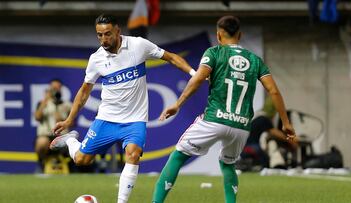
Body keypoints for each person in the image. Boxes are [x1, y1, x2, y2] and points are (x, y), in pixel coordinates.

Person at [49, 14, 195, 203]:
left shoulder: (138, 45)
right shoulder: (96, 59)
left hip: (135, 120)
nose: (103, 39)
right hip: (107, 119)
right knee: (82, 160)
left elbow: (171, 57)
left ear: (118, 30)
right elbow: (84, 92)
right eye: (99, 35)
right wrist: (69, 120)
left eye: (107, 34)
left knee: (133, 154)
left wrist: (194, 73)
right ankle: (70, 141)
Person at [151, 15, 296, 203]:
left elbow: (197, 80)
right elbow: (273, 91)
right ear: (240, 35)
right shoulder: (255, 60)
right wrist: (286, 123)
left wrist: (177, 104)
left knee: (178, 155)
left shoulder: (214, 53)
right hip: (241, 125)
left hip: (214, 119)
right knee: (228, 164)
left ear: (219, 35)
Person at [241, 97, 299, 170]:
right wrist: (290, 140)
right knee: (266, 156)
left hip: (244, 147)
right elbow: (274, 132)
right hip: (251, 147)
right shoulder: (264, 119)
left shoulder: (258, 117)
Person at [34, 78, 72, 173]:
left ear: (61, 89)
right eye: (53, 87)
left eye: (57, 87)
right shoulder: (42, 103)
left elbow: (73, 123)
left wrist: (61, 119)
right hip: (46, 135)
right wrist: (46, 99)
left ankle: (72, 168)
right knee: (41, 142)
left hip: (62, 135)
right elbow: (37, 117)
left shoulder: (67, 105)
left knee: (73, 143)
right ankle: (42, 164)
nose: (55, 90)